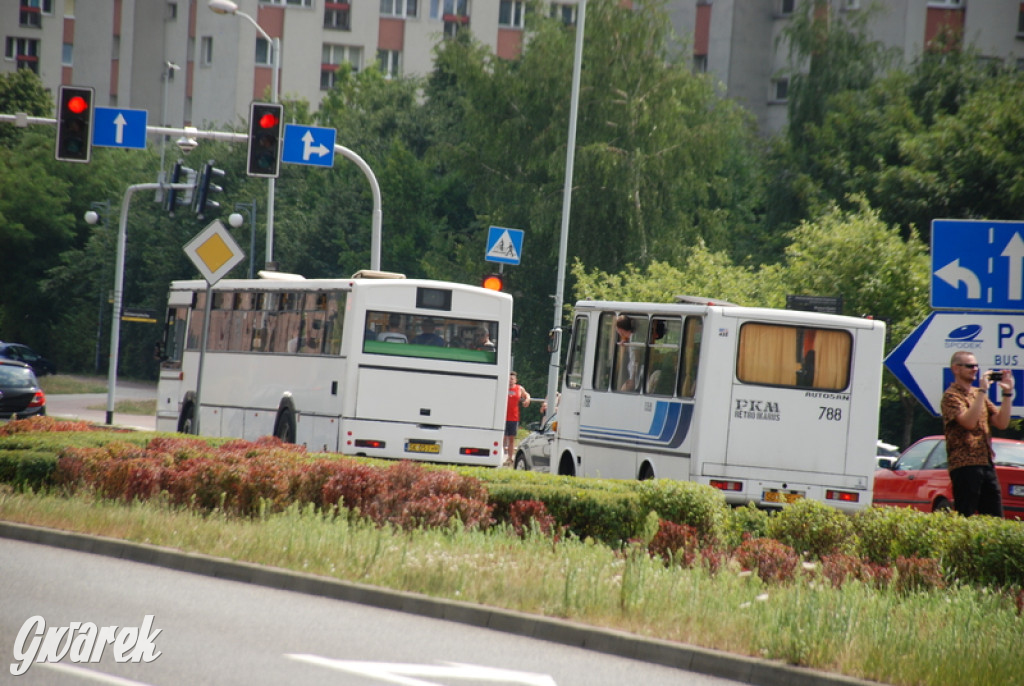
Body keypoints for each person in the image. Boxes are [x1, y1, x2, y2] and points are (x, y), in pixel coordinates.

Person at [940, 351, 1014, 517]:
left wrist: (1007, 394)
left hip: (986, 462)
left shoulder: (978, 394)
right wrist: (982, 391)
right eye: (969, 366)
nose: (975, 369)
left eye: (976, 366)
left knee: (995, 517)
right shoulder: (951, 396)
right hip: (964, 463)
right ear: (956, 369)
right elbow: (969, 422)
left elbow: (1001, 423)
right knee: (965, 514)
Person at [504, 371, 531, 467]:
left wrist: (527, 399)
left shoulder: (519, 388)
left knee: (511, 439)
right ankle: (501, 456)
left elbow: (526, 395)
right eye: (509, 379)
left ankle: (510, 458)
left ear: (515, 380)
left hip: (513, 417)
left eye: (512, 379)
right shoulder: (503, 386)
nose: (510, 381)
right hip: (503, 417)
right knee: (503, 438)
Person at [615, 314, 639, 391]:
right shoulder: (630, 338)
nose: (617, 331)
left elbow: (637, 359)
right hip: (633, 374)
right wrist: (624, 339)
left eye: (617, 328)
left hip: (635, 376)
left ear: (621, 329)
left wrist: (633, 378)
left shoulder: (634, 338)